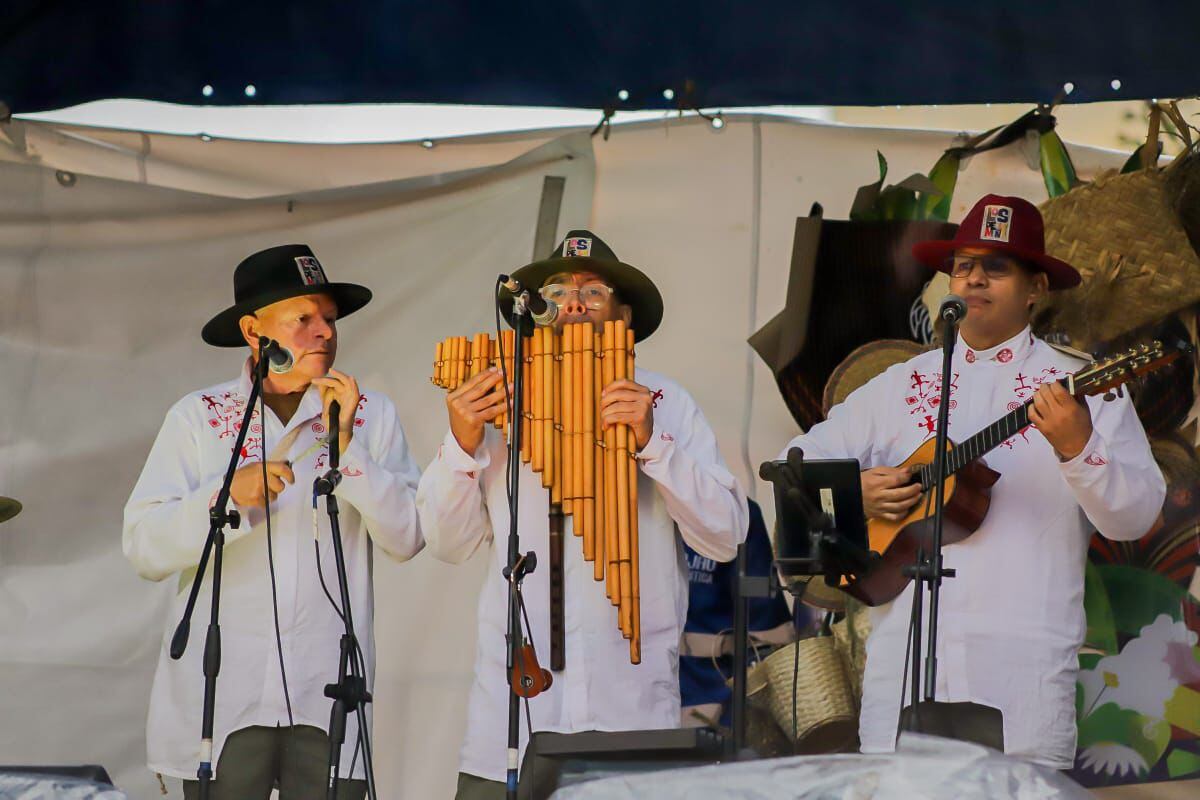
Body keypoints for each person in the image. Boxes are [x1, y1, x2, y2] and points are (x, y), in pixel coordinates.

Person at [778, 195, 1165, 769]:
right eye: (963, 264)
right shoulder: (900, 383)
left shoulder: (1082, 384)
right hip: (903, 663)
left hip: (1021, 671)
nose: (975, 276)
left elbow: (1135, 515)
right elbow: (795, 466)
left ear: (1036, 288)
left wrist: (1077, 447)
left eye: (998, 266)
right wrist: (857, 491)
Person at [416, 230, 749, 798]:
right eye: (557, 290)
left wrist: (654, 445)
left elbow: (725, 535)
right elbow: (448, 544)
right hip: (512, 716)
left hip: (630, 707)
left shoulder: (666, 402)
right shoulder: (492, 404)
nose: (571, 302)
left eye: (593, 292)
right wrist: (461, 443)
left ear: (624, 315)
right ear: (536, 313)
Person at [123, 244, 423, 799]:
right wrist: (225, 498)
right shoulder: (200, 416)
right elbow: (143, 546)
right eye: (303, 318)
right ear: (253, 331)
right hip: (224, 691)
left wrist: (347, 450)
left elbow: (407, 538)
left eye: (329, 319)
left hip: (328, 686)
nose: (324, 332)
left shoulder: (370, 413)